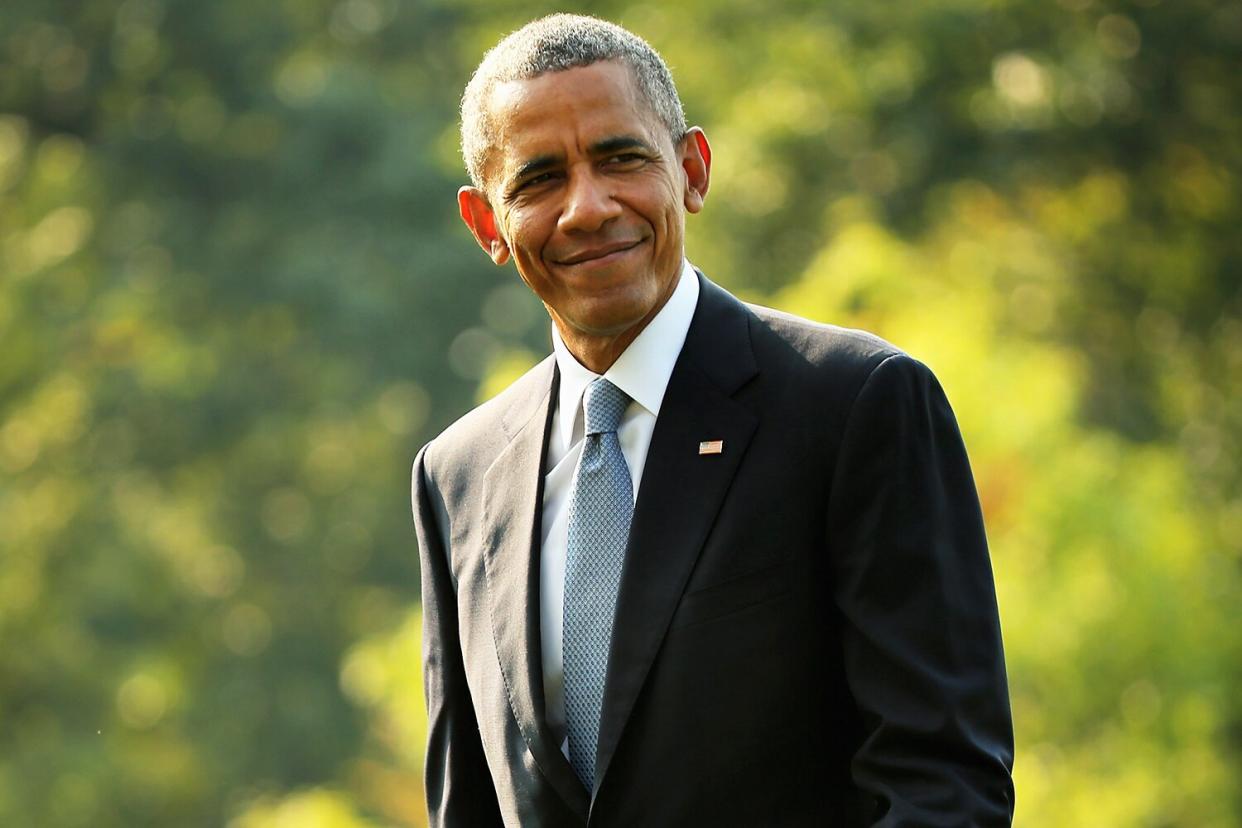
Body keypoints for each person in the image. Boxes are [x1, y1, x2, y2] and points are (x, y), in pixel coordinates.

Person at [412, 13, 1014, 827]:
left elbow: (943, 784)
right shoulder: (457, 474)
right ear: (486, 224)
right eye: (539, 179)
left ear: (691, 170)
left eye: (622, 158)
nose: (588, 208)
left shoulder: (854, 405)